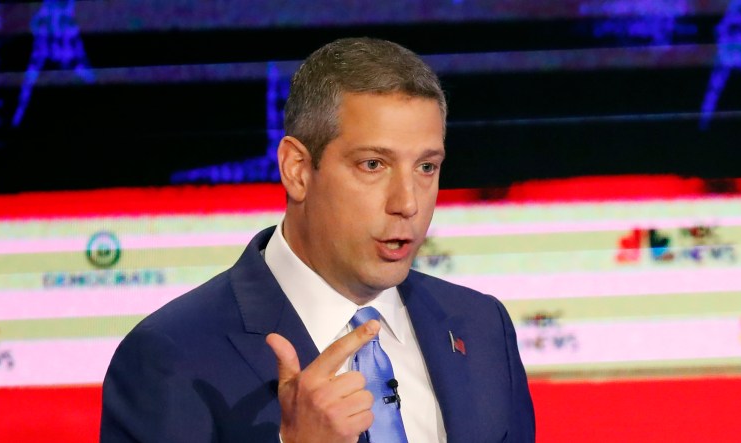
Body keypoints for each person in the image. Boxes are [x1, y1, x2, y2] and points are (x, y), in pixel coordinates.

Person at [100, 36, 535, 443]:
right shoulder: (170, 356)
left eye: (426, 167)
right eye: (372, 164)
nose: (408, 203)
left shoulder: (481, 327)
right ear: (297, 169)